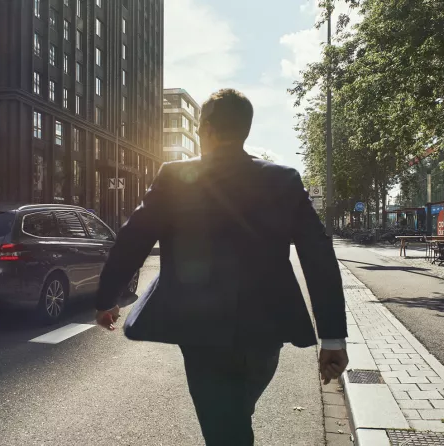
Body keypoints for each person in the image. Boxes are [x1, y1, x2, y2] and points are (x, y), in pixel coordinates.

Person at [94, 89, 348, 446]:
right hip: (267, 329)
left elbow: (134, 238)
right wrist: (333, 337)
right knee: (232, 418)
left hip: (201, 330)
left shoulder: (175, 176)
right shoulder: (284, 180)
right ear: (245, 128)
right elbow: (318, 254)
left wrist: (108, 298)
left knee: (225, 427)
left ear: (208, 128)